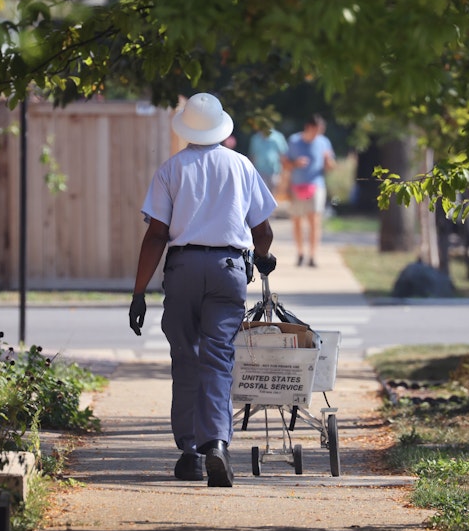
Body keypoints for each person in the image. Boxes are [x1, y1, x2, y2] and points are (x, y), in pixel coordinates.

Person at [128, 93, 278, 488]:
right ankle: (217, 444)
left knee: (186, 357)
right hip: (228, 269)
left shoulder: (171, 169)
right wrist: (262, 257)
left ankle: (191, 452)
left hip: (183, 269)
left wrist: (138, 291)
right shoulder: (242, 165)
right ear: (222, 126)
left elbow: (156, 234)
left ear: (186, 128)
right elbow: (262, 230)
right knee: (218, 358)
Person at [283, 114, 335, 267]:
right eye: (317, 130)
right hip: (296, 186)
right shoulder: (294, 141)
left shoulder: (324, 142)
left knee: (314, 221)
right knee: (297, 221)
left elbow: (331, 167)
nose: (318, 134)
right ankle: (300, 253)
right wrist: (295, 164)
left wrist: (327, 160)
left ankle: (312, 256)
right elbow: (285, 165)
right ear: (309, 127)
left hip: (316, 185)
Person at [248, 124, 288, 196]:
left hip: (275, 171)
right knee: (260, 195)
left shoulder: (278, 137)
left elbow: (283, 155)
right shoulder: (255, 138)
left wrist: (284, 173)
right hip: (259, 172)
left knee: (273, 195)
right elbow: (252, 156)